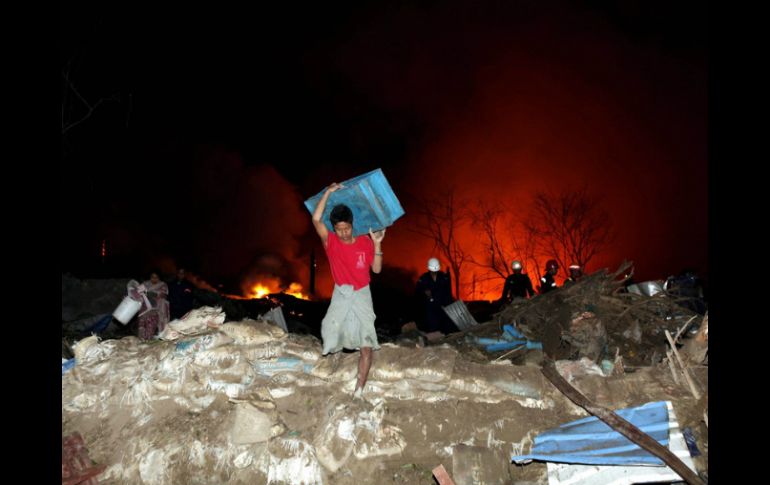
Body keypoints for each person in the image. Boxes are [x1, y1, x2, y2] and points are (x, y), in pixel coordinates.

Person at [312, 182, 386, 400]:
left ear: (352, 225)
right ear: (334, 229)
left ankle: (359, 390)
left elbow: (377, 269)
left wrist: (378, 244)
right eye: (339, 229)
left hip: (363, 294)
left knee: (366, 344)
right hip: (342, 293)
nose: (343, 233)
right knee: (330, 332)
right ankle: (333, 369)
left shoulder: (365, 241)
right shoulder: (331, 242)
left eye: (346, 228)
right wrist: (327, 192)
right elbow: (316, 219)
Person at [415, 257, 456, 334]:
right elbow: (417, 290)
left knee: (447, 326)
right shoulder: (424, 278)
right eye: (432, 271)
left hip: (443, 306)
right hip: (430, 307)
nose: (434, 273)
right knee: (433, 326)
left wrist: (448, 303)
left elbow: (448, 291)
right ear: (429, 269)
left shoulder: (443, 277)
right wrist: (424, 292)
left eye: (435, 271)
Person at [134, 270, 170, 340]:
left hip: (155, 310)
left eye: (156, 277)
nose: (154, 279)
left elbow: (163, 295)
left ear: (159, 278)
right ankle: (141, 343)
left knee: (150, 327)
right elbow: (136, 293)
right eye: (152, 277)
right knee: (142, 327)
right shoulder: (145, 284)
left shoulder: (163, 285)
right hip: (144, 310)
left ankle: (148, 342)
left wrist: (148, 292)